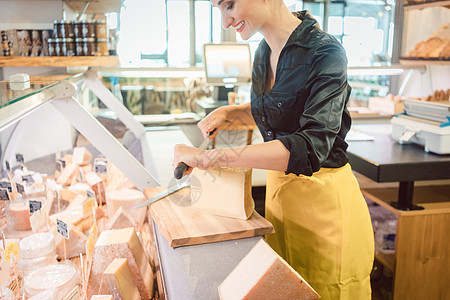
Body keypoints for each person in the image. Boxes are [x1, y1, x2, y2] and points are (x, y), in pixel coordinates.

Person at [172, 0, 374, 298]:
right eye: (219, 9)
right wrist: (232, 114)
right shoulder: (263, 51)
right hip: (281, 202)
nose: (226, 22)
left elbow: (309, 147)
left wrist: (210, 158)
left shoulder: (326, 52)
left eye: (229, 5)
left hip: (325, 210)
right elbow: (276, 111)